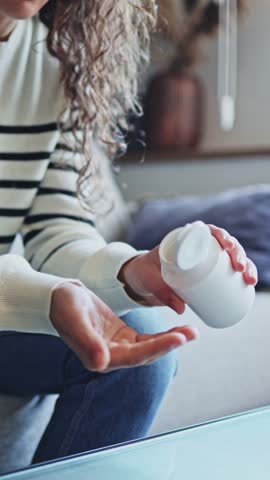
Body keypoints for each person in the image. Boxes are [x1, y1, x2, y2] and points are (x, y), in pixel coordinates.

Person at [0, 0, 257, 467]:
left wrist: (134, 271)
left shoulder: (55, 62)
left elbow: (57, 229)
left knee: (145, 343)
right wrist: (43, 297)